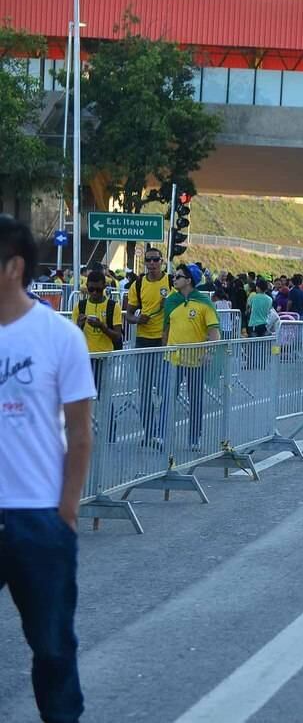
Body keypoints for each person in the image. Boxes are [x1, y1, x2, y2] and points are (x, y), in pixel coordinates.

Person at [0, 215, 95, 723]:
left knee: (53, 647)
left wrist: (67, 511)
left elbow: (81, 431)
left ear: (13, 267)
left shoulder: (60, 337)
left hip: (38, 518)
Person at [163, 264, 221, 449]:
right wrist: (162, 351)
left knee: (195, 401)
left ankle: (194, 439)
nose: (174, 279)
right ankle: (164, 436)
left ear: (189, 280)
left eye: (178, 276)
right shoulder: (171, 301)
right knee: (167, 399)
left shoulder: (204, 303)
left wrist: (210, 352)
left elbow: (214, 330)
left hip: (195, 361)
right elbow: (166, 328)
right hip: (172, 360)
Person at [125, 246, 171, 348]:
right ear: (145, 262)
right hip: (143, 339)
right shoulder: (138, 284)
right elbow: (128, 315)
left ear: (161, 261)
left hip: (166, 336)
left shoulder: (172, 281)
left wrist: (170, 304)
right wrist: (138, 319)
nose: (152, 263)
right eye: (148, 260)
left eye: (155, 260)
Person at [76, 269, 124, 363]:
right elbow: (73, 339)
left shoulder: (114, 306)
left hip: (106, 357)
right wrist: (79, 326)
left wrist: (102, 326)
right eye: (91, 289)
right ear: (87, 287)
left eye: (98, 290)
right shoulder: (79, 306)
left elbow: (117, 336)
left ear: (105, 287)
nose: (94, 293)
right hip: (85, 357)